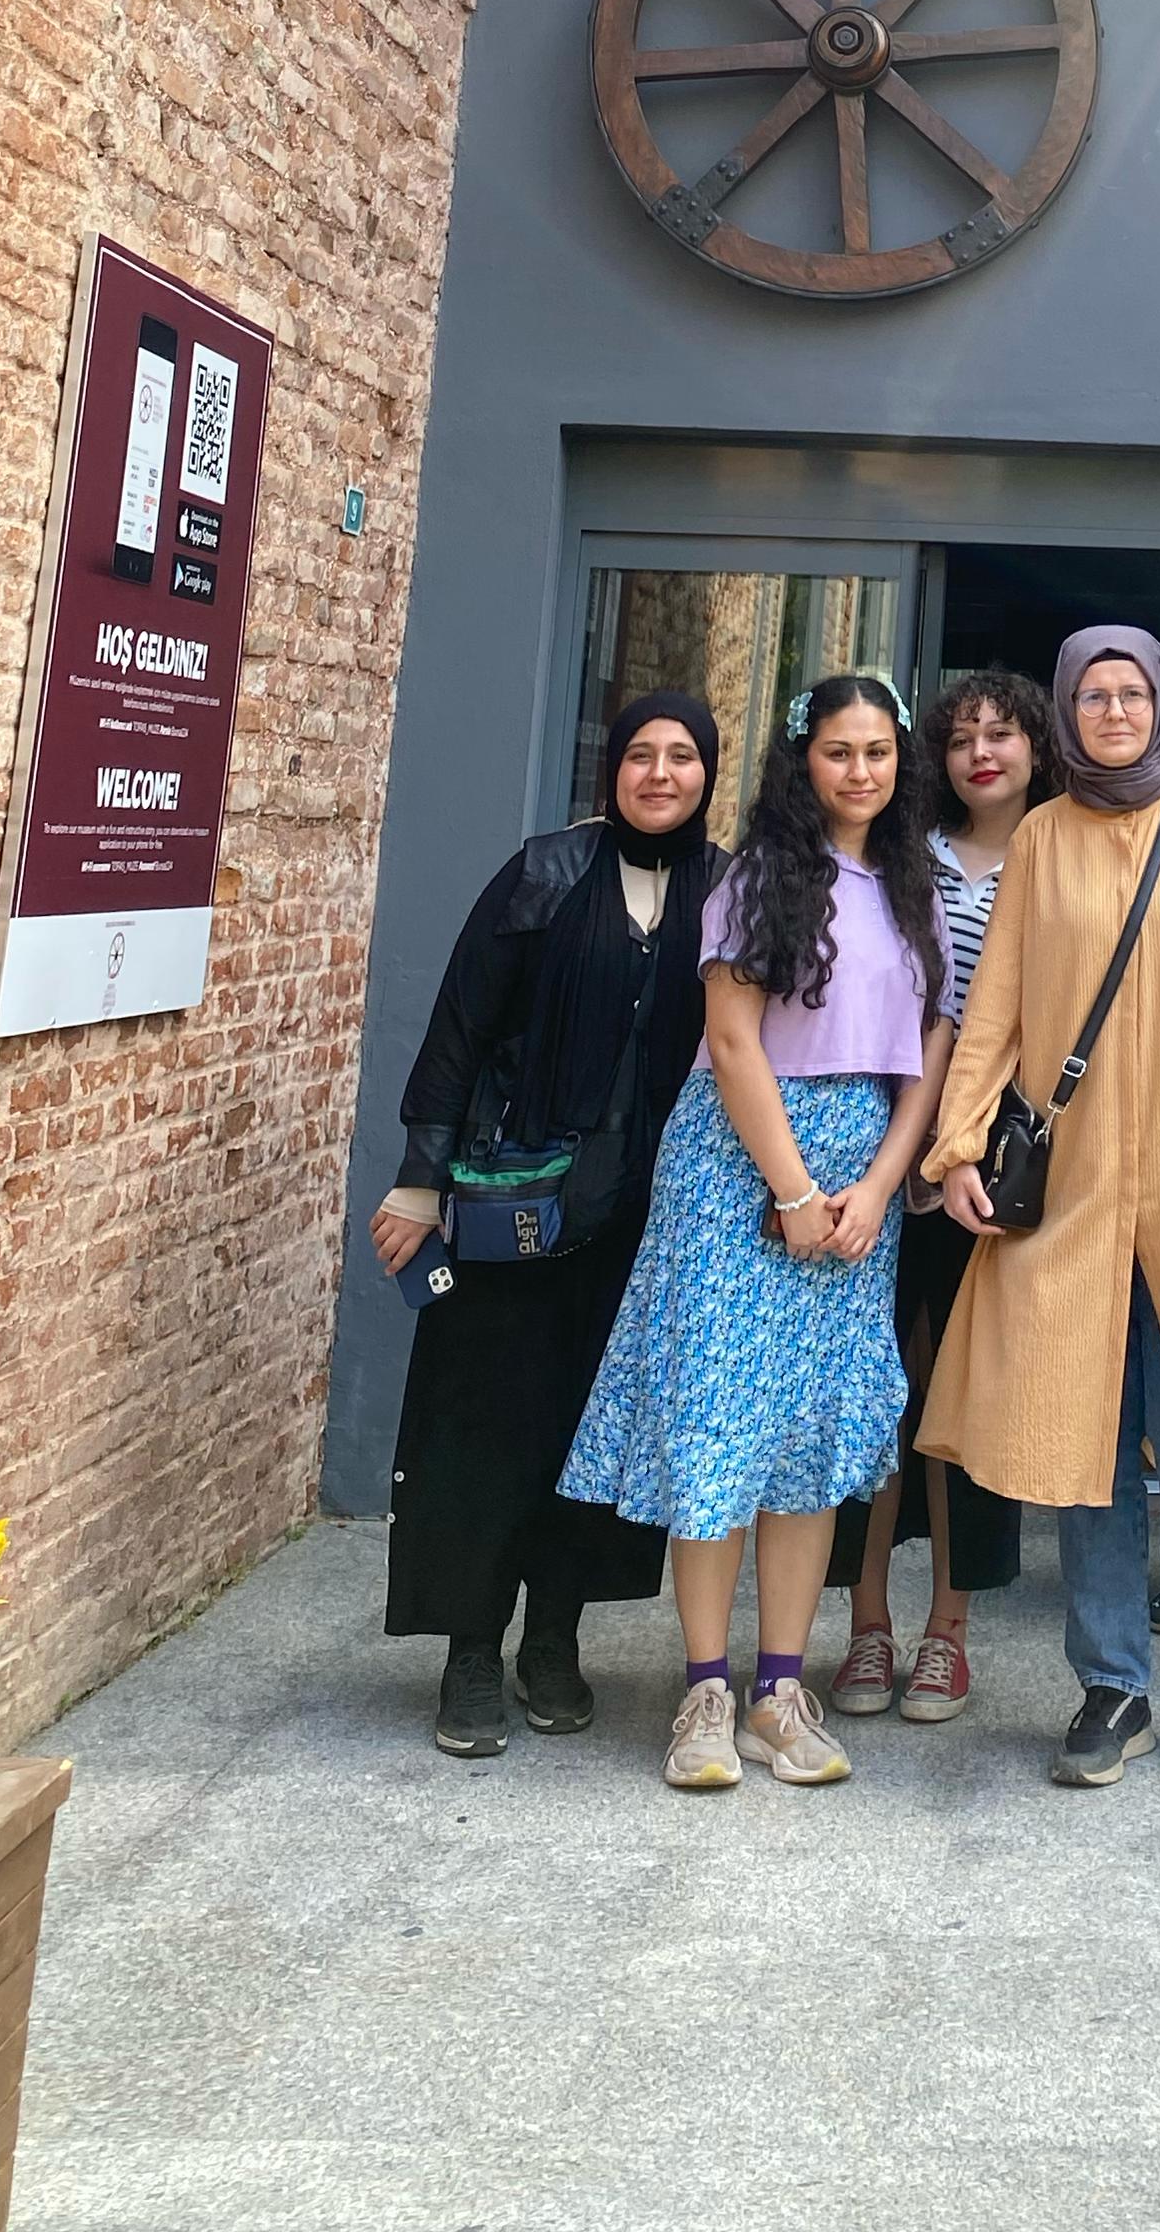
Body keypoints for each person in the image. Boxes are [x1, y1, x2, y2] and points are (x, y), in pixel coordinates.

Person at [921, 626, 1160, 1789]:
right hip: (1075, 1185)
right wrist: (958, 1143)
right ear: (1066, 711)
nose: (1114, 712)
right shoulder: (1042, 837)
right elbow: (996, 1005)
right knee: (1081, 1436)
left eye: (1131, 692)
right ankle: (1112, 1686)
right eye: (1092, 695)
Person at [560, 674, 949, 1794]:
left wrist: (876, 1187)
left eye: (878, 752)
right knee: (719, 1424)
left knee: (809, 1438)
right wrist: (792, 1190)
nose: (860, 772)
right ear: (802, 762)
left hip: (859, 1175)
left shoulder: (914, 889)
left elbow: (928, 1053)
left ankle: (781, 1691)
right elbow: (733, 1043)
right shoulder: (757, 880)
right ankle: (704, 1694)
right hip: (740, 1166)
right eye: (839, 752)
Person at [371, 690, 725, 1757]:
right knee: (489, 1426)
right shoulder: (544, 872)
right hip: (513, 1201)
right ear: (612, 768)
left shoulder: (727, 891)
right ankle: (472, 1651)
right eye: (641, 754)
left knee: (593, 1435)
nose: (659, 774)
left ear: (708, 775)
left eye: (682, 757)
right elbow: (460, 1029)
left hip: (649, 1216)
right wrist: (419, 1180)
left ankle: (555, 1642)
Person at [822, 667, 1050, 1729]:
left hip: (1004, 1156)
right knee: (877, 1391)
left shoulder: (1062, 854)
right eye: (960, 738)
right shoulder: (900, 857)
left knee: (963, 1402)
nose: (981, 755)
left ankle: (947, 1632)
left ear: (1037, 747)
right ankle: (866, 1621)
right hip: (882, 1140)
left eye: (1001, 734)